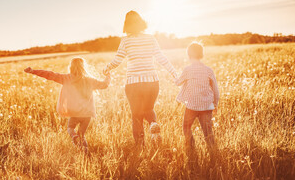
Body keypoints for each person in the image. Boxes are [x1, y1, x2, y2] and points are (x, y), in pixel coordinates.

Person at [103, 10, 177, 146]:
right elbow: (161, 58)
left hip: (133, 83)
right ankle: (153, 124)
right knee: (148, 109)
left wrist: (106, 68)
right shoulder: (151, 38)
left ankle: (140, 146)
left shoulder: (126, 41)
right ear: (141, 22)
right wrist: (174, 73)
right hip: (152, 82)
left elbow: (117, 61)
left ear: (126, 24)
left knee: (136, 115)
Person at [24, 57, 110, 153]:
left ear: (71, 67)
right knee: (82, 135)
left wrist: (33, 71)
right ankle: (85, 153)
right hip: (87, 114)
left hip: (75, 113)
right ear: (84, 67)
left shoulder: (66, 78)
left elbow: (49, 74)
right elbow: (104, 85)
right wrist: (108, 76)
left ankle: (74, 136)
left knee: (70, 129)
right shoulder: (90, 80)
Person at [174, 42, 220, 161]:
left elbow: (178, 82)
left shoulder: (187, 70)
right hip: (206, 106)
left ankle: (191, 150)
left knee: (186, 127)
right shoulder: (208, 70)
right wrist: (215, 104)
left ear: (189, 54)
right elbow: (215, 88)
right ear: (201, 54)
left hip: (192, 106)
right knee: (208, 132)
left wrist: (175, 76)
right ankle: (214, 155)